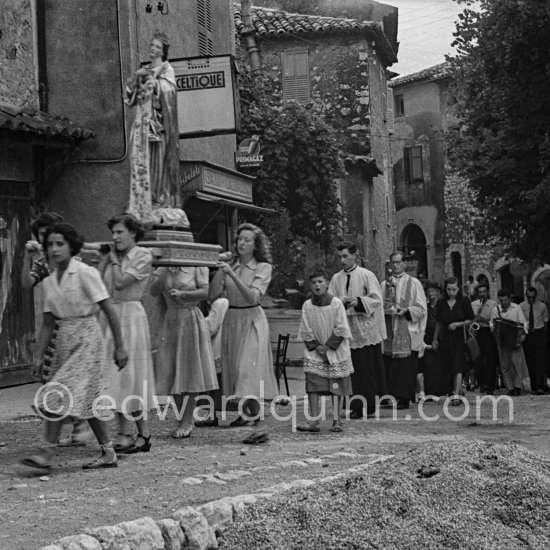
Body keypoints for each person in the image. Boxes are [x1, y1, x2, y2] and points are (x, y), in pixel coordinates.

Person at [21, 223, 128, 470]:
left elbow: (108, 310)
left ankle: (46, 451)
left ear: (72, 246)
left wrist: (119, 347)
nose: (54, 249)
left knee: (58, 393)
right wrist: (38, 356)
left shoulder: (85, 272)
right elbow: (48, 323)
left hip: (87, 338)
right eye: (50, 244)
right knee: (88, 400)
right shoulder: (49, 281)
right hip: (64, 341)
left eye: (60, 244)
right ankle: (108, 452)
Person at [22, 212, 92, 446]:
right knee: (53, 379)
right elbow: (26, 283)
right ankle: (62, 434)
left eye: (50, 236)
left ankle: (81, 427)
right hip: (52, 325)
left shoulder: (75, 262)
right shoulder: (42, 264)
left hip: (75, 326)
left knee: (73, 379)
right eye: (41, 236)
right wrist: (26, 257)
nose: (46, 242)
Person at [209, 223, 278, 444]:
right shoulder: (231, 265)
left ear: (255, 245)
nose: (242, 243)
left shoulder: (263, 267)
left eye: (248, 240)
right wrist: (221, 269)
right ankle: (256, 422)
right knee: (238, 375)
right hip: (233, 320)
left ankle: (260, 424)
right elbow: (211, 296)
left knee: (248, 373)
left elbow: (253, 297)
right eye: (240, 239)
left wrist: (232, 274)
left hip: (252, 321)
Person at [99, 213, 156, 453]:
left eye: (120, 232)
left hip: (131, 316)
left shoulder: (142, 255)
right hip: (112, 315)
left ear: (133, 233)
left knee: (132, 375)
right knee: (115, 375)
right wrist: (105, 260)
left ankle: (142, 433)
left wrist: (112, 258)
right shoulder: (116, 257)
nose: (115, 237)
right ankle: (127, 433)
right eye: (113, 232)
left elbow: (122, 282)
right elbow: (101, 286)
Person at [151, 265, 218, 438]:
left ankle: (187, 419)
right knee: (170, 370)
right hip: (170, 320)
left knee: (190, 369)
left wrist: (184, 295)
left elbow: (206, 292)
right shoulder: (162, 268)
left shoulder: (196, 266)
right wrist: (164, 271)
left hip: (190, 318)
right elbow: (153, 292)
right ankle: (183, 416)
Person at [328, 241, 387, 418]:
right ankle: (354, 406)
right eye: (340, 257)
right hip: (347, 328)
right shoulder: (336, 278)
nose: (342, 260)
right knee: (351, 369)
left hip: (364, 328)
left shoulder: (367, 275)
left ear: (355, 255)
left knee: (366, 368)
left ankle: (368, 405)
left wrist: (359, 301)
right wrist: (341, 302)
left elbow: (377, 299)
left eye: (346, 256)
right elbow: (329, 300)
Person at [125, 32, 180, 222]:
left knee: (157, 163)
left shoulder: (166, 69)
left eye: (157, 47)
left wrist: (155, 83)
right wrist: (136, 76)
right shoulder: (144, 69)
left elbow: (170, 91)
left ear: (163, 51)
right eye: (151, 45)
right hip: (142, 123)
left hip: (157, 125)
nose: (153, 49)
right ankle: (142, 199)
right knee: (140, 160)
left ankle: (157, 200)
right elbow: (130, 97)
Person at [297, 270, 353, 433]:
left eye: (320, 281)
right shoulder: (307, 305)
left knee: (336, 386)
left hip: (334, 350)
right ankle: (313, 422)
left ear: (327, 283)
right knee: (313, 385)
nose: (317, 285)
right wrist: (316, 347)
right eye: (314, 282)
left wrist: (328, 346)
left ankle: (337, 421)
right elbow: (305, 328)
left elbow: (342, 327)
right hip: (315, 351)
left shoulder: (336, 304)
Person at [381, 252, 427, 409]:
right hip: (389, 330)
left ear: (404, 264)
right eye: (393, 263)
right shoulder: (384, 284)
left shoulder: (414, 283)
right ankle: (389, 397)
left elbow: (421, 308)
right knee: (390, 365)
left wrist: (406, 310)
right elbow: (379, 305)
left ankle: (404, 398)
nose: (395, 265)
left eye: (398, 262)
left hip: (406, 329)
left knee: (405, 368)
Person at [433, 277, 474, 405]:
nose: (451, 292)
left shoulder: (464, 301)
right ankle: (457, 388)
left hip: (459, 337)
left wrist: (458, 324)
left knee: (458, 365)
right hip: (445, 338)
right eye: (449, 289)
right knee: (448, 365)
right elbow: (438, 322)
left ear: (458, 289)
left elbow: (471, 319)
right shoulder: (441, 303)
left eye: (454, 289)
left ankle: (456, 395)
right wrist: (435, 339)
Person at [194, 293, 229, 427]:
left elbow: (211, 327)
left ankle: (211, 415)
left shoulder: (219, 303)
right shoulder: (227, 302)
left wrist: (199, 322)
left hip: (218, 348)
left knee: (214, 385)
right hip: (226, 346)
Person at [417, 280, 444, 399]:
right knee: (428, 364)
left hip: (441, 336)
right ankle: (429, 390)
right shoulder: (426, 307)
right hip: (428, 335)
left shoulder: (442, 306)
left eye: (432, 291)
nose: (430, 293)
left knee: (440, 363)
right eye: (428, 291)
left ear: (437, 292)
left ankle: (440, 389)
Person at [471, 283, 499, 395]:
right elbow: (472, 318)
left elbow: (494, 320)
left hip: (488, 332)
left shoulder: (493, 304)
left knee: (490, 361)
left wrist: (483, 319)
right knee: (478, 360)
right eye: (480, 292)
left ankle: (490, 386)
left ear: (487, 292)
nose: (482, 294)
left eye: (484, 292)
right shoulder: (474, 304)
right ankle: (482, 383)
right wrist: (476, 318)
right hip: (477, 333)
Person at [519, 287, 548, 394]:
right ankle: (534, 385)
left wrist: (542, 336)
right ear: (526, 296)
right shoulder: (521, 306)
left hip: (539, 333)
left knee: (539, 360)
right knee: (530, 361)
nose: (531, 299)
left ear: (536, 296)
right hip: (528, 335)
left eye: (533, 297)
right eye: (529, 297)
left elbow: (545, 322)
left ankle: (540, 386)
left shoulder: (542, 306)